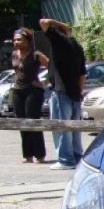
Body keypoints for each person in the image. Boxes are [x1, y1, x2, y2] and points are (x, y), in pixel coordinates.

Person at [39, 18, 86, 170]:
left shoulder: (58, 41)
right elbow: (82, 73)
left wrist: (58, 24)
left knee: (61, 126)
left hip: (61, 90)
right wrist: (79, 92)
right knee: (75, 127)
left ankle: (66, 159)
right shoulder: (77, 46)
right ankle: (77, 156)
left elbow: (43, 22)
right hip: (75, 91)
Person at [10, 28, 48, 163]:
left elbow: (52, 66)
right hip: (18, 91)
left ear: (27, 40)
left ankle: (39, 154)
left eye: (19, 39)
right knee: (21, 122)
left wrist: (44, 82)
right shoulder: (14, 54)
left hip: (33, 90)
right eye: (14, 40)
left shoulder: (35, 54)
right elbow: (17, 71)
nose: (16, 42)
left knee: (32, 121)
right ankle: (28, 155)